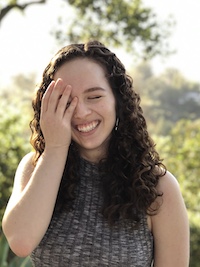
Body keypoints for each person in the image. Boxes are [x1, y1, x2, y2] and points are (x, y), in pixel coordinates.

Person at [2, 40, 189, 267]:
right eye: (66, 101)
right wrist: (56, 148)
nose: (80, 112)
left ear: (118, 101)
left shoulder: (158, 186)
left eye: (95, 96)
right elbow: (20, 242)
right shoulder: (35, 167)